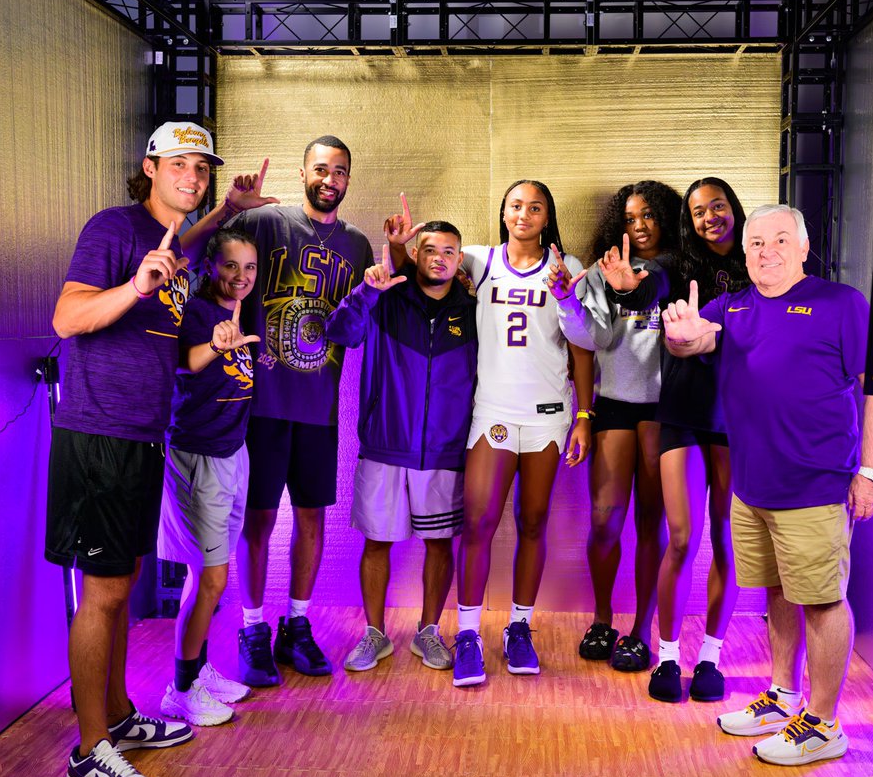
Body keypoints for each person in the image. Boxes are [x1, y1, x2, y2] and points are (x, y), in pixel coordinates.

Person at [660, 204, 873, 766]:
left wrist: (871, 472)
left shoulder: (842, 304)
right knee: (777, 594)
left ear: (804, 245)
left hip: (816, 485)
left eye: (780, 240)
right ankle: (783, 695)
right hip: (751, 488)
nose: (767, 251)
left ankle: (824, 722)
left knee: (821, 601)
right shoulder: (732, 305)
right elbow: (694, 341)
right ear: (745, 252)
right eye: (757, 242)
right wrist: (682, 338)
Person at [49, 121, 222, 777]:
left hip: (144, 435)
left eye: (201, 168)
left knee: (122, 588)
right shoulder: (112, 230)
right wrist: (135, 288)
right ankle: (89, 752)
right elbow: (67, 318)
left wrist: (228, 212)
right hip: (99, 434)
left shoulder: (172, 245)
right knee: (101, 595)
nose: (193, 176)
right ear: (148, 167)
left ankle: (118, 717)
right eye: (180, 163)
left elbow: (176, 247)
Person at [181, 137, 375, 686]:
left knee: (311, 518)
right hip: (262, 401)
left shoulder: (358, 246)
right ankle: (252, 627)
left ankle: (297, 624)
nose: (329, 179)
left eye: (340, 170)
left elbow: (351, 333)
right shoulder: (268, 223)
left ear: (348, 179)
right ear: (303, 172)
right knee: (259, 521)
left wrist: (373, 293)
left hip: (318, 402)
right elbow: (206, 264)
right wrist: (230, 209)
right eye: (321, 168)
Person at [598, 177, 749, 702]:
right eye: (699, 210)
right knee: (681, 538)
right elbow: (647, 286)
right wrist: (627, 287)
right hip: (681, 413)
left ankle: (709, 657)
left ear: (734, 208)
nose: (709, 217)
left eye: (718, 206)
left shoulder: (759, 265)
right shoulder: (675, 264)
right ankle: (666, 656)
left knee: (726, 537)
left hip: (736, 418)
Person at [444, 179, 594, 687]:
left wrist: (585, 416)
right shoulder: (479, 260)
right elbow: (429, 256)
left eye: (535, 207)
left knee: (533, 522)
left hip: (549, 413)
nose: (524, 214)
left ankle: (519, 628)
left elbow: (583, 346)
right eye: (515, 205)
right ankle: (467, 634)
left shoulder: (566, 268)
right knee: (479, 521)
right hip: (494, 410)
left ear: (547, 216)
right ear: (503, 213)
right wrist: (403, 244)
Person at [325, 222, 477, 672]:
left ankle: (428, 631)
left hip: (445, 448)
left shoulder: (472, 310)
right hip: (385, 445)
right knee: (377, 542)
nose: (439, 258)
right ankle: (375, 634)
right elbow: (341, 333)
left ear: (459, 257)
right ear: (416, 252)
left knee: (439, 543)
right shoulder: (385, 297)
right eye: (429, 249)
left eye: (449, 251)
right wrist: (365, 294)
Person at [556, 181, 681, 672]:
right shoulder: (599, 270)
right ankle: (603, 619)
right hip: (612, 405)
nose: (639, 226)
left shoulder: (676, 268)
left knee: (651, 523)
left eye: (648, 215)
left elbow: (662, 296)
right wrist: (571, 297)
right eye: (629, 218)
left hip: (660, 408)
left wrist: (637, 285)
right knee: (606, 519)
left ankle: (641, 629)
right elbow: (596, 337)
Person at [157, 228, 261, 727]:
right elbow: (185, 363)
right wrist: (215, 348)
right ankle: (180, 690)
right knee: (213, 575)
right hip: (199, 457)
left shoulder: (236, 312)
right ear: (210, 268)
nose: (240, 277)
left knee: (206, 575)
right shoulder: (197, 313)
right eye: (230, 266)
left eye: (249, 268)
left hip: (231, 453)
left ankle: (196, 670)